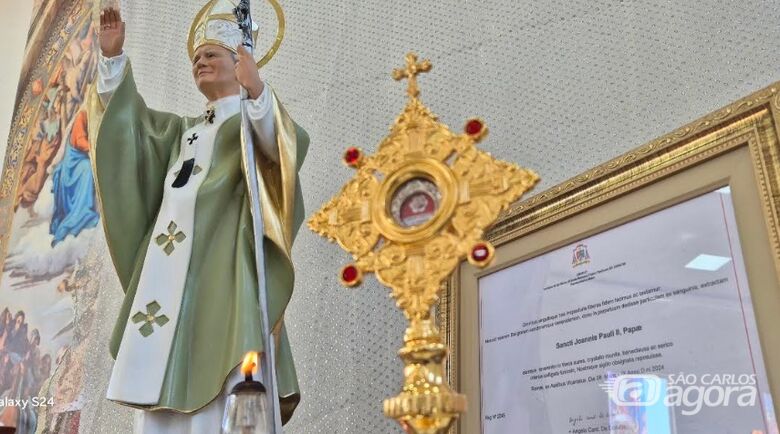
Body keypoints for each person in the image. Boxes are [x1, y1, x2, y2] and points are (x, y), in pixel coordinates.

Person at [91, 1, 308, 432]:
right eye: (196, 57)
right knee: (158, 398)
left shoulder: (252, 121)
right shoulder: (181, 132)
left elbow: (283, 152)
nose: (200, 62)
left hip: (225, 277)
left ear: (239, 64)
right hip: (165, 283)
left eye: (212, 55)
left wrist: (259, 91)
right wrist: (113, 60)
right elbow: (129, 130)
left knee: (229, 381)